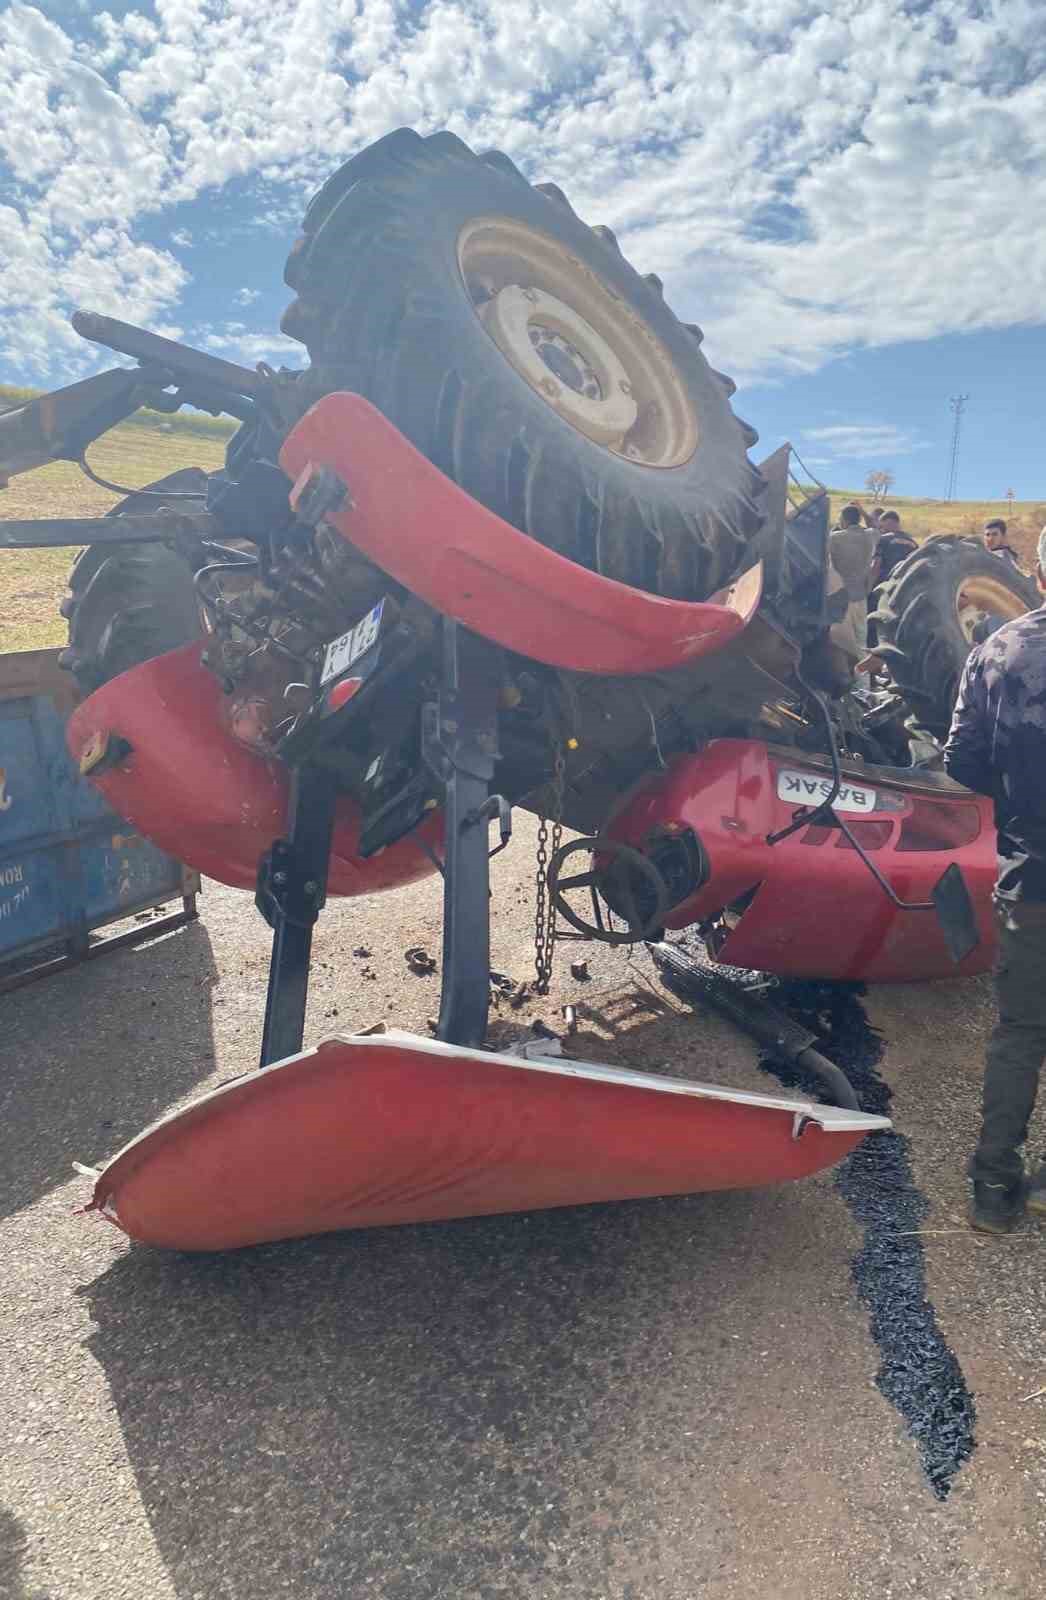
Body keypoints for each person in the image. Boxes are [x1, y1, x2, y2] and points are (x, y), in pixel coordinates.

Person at [943, 526, 1046, 1233]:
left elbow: (961, 759)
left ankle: (992, 1183)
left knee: (1020, 1033)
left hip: (1030, 879)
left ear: (1037, 573)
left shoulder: (996, 650)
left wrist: (1015, 802)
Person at [871, 510, 917, 587]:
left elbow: (876, 566)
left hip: (886, 585)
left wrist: (869, 586)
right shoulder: (914, 543)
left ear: (889, 523)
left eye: (881, 527)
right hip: (906, 586)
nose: (881, 530)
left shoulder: (883, 540)